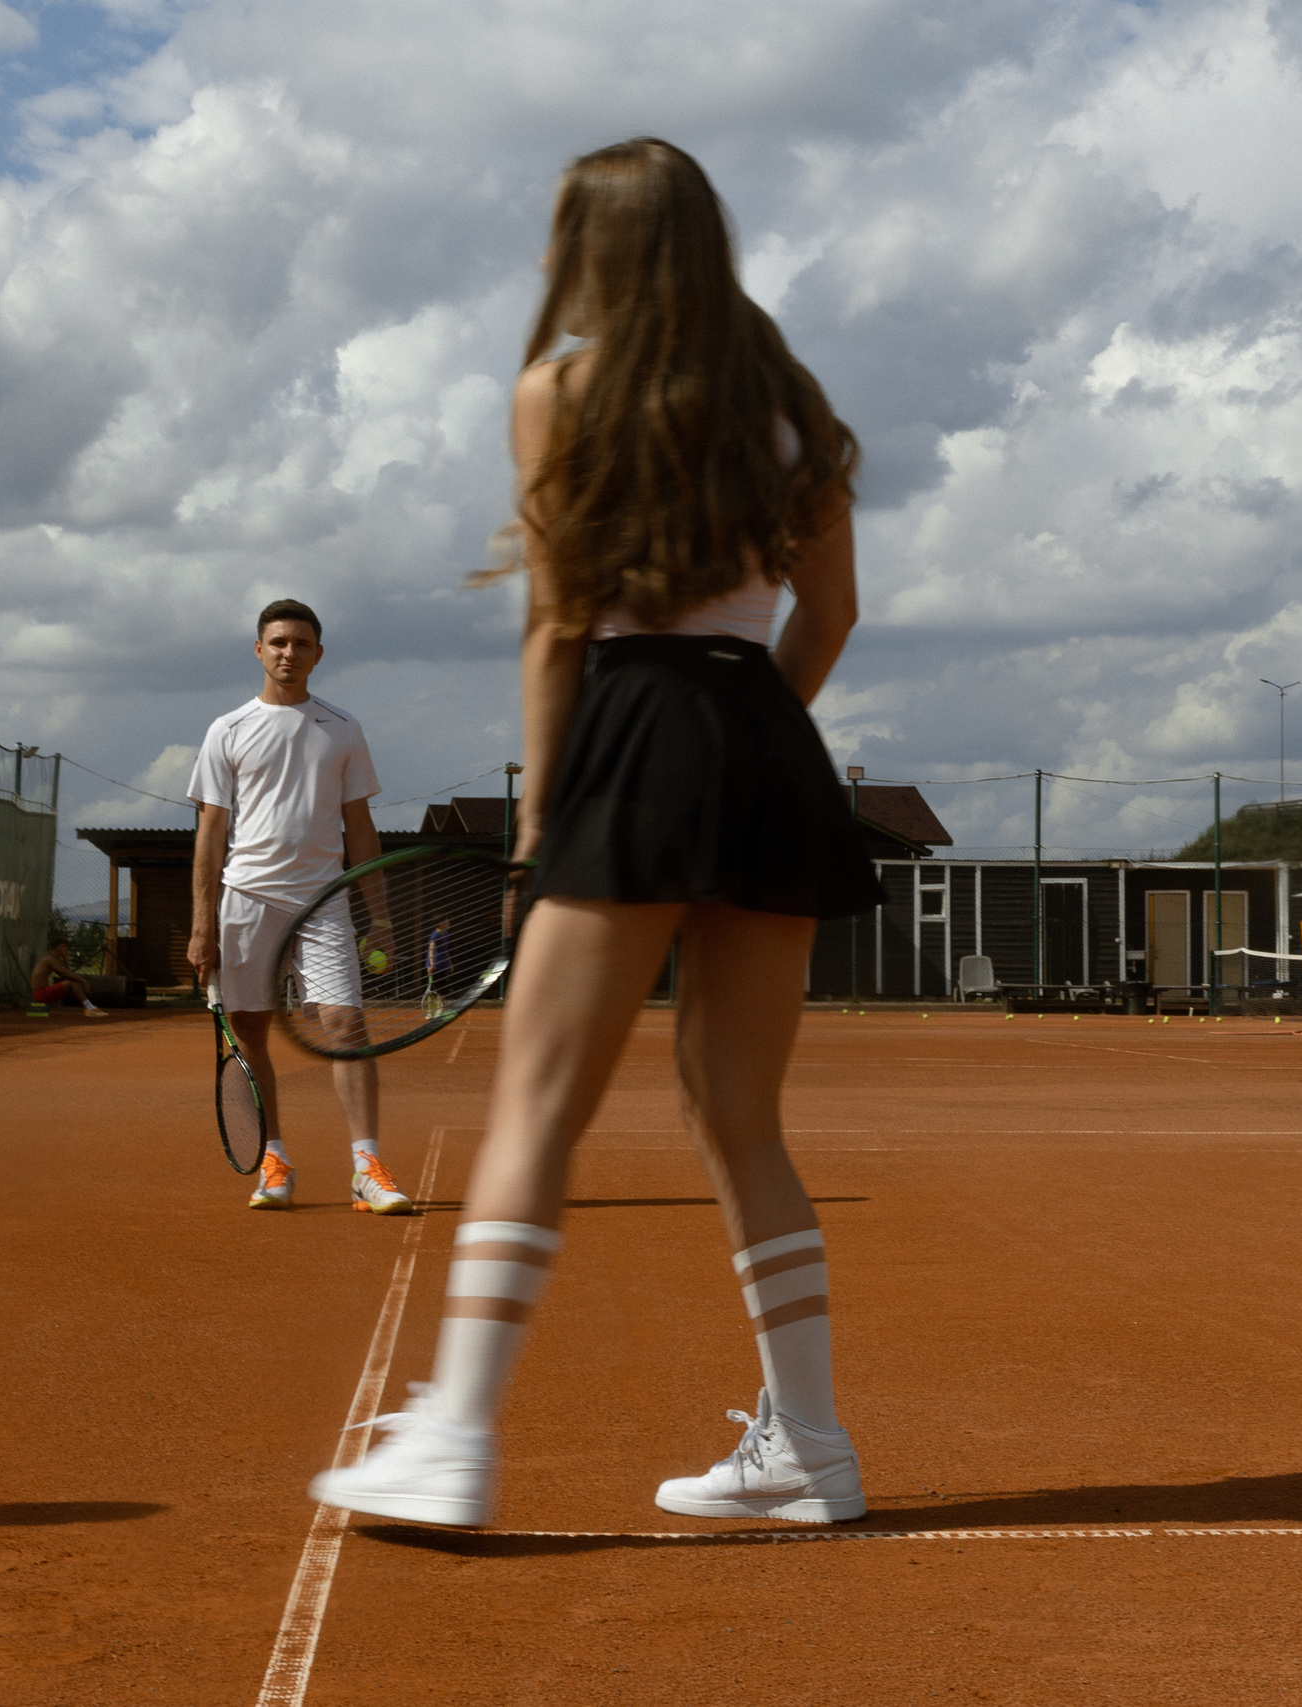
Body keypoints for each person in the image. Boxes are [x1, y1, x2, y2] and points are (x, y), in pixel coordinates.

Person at [312, 138, 879, 1528]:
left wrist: (539, 816)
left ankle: (454, 1433)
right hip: (763, 736)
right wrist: (747, 731)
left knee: (539, 1105)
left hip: (634, 731)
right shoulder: (793, 405)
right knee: (740, 1114)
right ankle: (810, 1444)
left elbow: (560, 622)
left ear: (593, 253)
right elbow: (835, 613)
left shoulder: (557, 391)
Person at [188, 600, 413, 1215]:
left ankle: (366, 1167)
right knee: (248, 1035)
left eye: (302, 643)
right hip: (247, 902)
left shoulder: (342, 728)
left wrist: (382, 917)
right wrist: (201, 925)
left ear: (318, 653)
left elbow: (359, 827)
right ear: (259, 650)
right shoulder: (226, 731)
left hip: (324, 902)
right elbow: (210, 832)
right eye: (279, 642)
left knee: (346, 1027)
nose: (290, 652)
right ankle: (274, 1159)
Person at [28, 933, 110, 1016]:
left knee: (71, 982)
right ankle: (90, 1008)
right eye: (64, 946)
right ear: (57, 947)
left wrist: (66, 961)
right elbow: (66, 974)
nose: (66, 949)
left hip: (42, 993)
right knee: (72, 983)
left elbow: (67, 974)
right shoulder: (49, 959)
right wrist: (84, 981)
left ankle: (90, 1007)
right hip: (41, 994)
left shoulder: (51, 959)